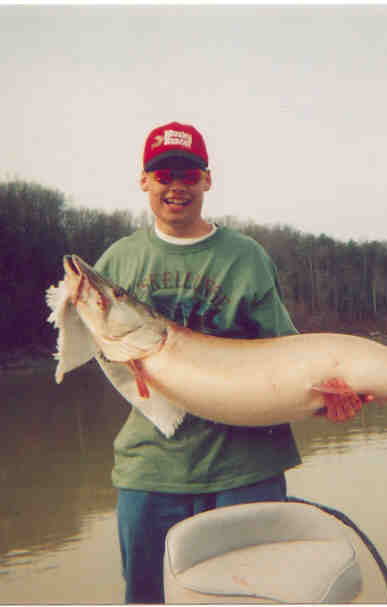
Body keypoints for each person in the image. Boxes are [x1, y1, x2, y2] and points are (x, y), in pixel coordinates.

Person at [93, 122, 302, 604]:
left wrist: (327, 395)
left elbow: (286, 353)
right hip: (150, 472)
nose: (176, 186)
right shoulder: (116, 263)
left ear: (207, 180)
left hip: (247, 467)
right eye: (163, 174)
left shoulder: (245, 257)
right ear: (144, 181)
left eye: (188, 174)